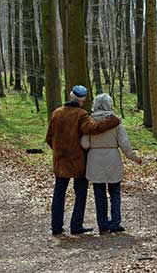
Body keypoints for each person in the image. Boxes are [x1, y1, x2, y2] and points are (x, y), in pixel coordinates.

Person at [46, 85, 121, 236]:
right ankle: (76, 225)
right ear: (82, 100)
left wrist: (59, 151)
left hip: (60, 161)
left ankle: (56, 227)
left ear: (70, 96)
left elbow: (49, 138)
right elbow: (93, 129)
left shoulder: (56, 113)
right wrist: (113, 121)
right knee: (80, 193)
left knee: (59, 193)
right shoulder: (81, 115)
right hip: (78, 161)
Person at [80, 93, 142, 234]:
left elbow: (84, 143)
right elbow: (124, 144)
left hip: (95, 159)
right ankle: (115, 222)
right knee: (115, 192)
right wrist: (134, 157)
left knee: (99, 193)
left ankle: (102, 224)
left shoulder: (90, 122)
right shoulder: (115, 122)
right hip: (112, 159)